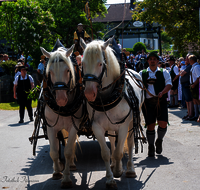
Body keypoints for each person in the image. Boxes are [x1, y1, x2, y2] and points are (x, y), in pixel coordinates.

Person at [139, 52, 172, 157]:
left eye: (154, 59)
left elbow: (169, 84)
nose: (152, 60)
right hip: (147, 103)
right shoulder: (141, 73)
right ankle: (151, 146)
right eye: (150, 59)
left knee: (163, 123)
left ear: (158, 61)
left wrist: (162, 92)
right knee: (150, 126)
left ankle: (159, 140)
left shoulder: (164, 72)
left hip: (161, 101)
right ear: (148, 61)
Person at [179, 53, 193, 120]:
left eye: (187, 58)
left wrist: (181, 72)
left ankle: (190, 114)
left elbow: (181, 74)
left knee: (189, 100)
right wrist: (181, 72)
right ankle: (188, 113)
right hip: (184, 84)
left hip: (187, 84)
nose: (185, 59)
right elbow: (180, 73)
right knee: (186, 100)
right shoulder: (187, 66)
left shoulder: (190, 66)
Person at [189, 55, 200, 121]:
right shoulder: (193, 66)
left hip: (196, 85)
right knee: (194, 100)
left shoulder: (196, 67)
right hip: (193, 85)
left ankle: (198, 115)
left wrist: (194, 84)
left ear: (192, 60)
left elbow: (199, 77)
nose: (189, 61)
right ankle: (196, 115)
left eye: (189, 60)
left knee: (198, 100)